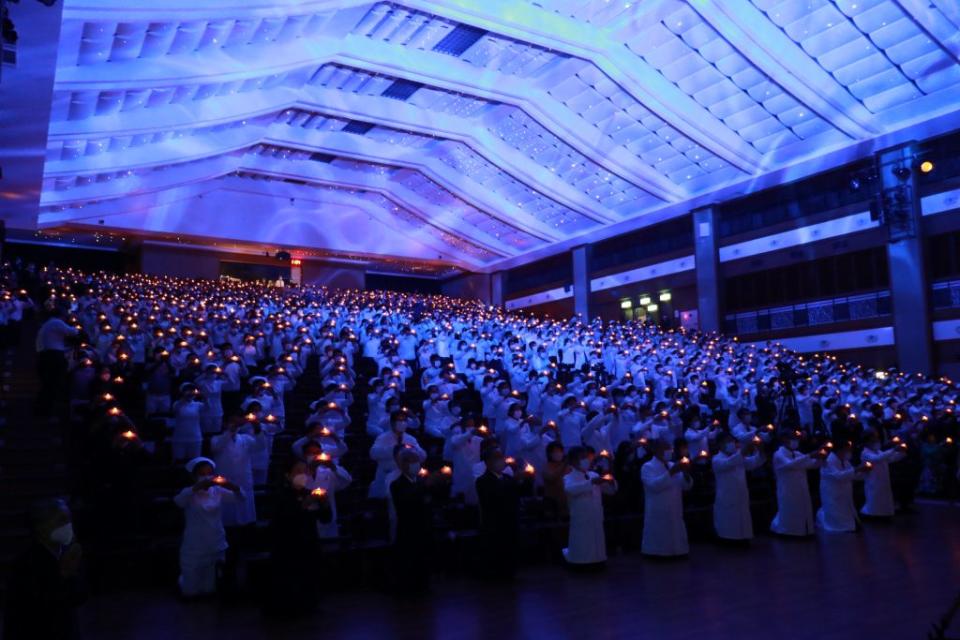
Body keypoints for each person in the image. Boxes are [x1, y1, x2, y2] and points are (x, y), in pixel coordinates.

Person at [3, 498, 86, 640]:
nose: (68, 526)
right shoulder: (25, 565)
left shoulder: (68, 553)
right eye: (61, 520)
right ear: (41, 526)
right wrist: (64, 575)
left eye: (69, 519)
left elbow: (79, 597)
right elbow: (35, 612)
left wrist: (71, 574)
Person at [173, 457, 243, 597]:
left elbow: (241, 498)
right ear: (194, 476)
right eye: (202, 473)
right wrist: (197, 487)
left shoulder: (218, 491)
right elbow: (178, 501)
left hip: (215, 542)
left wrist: (231, 486)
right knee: (190, 591)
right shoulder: (189, 493)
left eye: (209, 473)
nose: (207, 477)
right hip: (195, 545)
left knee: (209, 589)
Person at [475, 447, 524, 579]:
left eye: (501, 458)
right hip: (495, 523)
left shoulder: (508, 478)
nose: (501, 461)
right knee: (497, 551)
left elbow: (516, 495)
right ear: (488, 462)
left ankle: (510, 572)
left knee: (510, 549)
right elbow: (493, 497)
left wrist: (522, 480)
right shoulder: (482, 481)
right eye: (496, 458)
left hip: (510, 521)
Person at [563, 446, 616, 567]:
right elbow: (570, 490)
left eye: (586, 457)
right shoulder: (568, 477)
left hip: (596, 515)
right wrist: (591, 483)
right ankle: (580, 562)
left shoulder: (593, 474)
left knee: (596, 540)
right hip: (581, 517)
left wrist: (611, 482)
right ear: (573, 461)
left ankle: (598, 560)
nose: (585, 460)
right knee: (582, 541)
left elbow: (610, 491)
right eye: (581, 458)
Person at [389, 448, 432, 593]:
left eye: (417, 461)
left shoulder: (420, 482)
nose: (416, 465)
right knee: (409, 558)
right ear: (403, 465)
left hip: (423, 525)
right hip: (408, 527)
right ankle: (409, 588)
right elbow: (405, 501)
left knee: (423, 557)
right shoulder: (396, 484)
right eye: (412, 462)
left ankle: (423, 585)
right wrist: (425, 487)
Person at [641, 439, 692, 557]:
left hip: (675, 508)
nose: (669, 451)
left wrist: (685, 473)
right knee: (660, 535)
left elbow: (686, 486)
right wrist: (671, 472)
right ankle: (657, 553)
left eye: (670, 449)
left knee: (675, 533)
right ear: (656, 450)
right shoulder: (647, 467)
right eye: (666, 448)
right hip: (658, 510)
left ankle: (679, 551)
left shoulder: (673, 465)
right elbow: (654, 486)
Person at [711, 434, 764, 542]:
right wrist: (742, 452)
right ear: (720, 445)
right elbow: (728, 463)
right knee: (728, 523)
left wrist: (761, 451)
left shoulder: (738, 456)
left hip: (741, 495)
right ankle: (728, 540)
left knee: (742, 518)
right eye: (728, 441)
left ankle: (743, 538)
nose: (731, 443)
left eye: (732, 441)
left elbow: (753, 463)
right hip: (727, 496)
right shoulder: (716, 459)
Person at [770, 432, 823, 536]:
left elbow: (812, 464)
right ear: (785, 440)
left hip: (801, 487)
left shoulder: (798, 454)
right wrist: (809, 455)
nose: (796, 441)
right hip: (787, 488)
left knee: (800, 509)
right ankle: (787, 531)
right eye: (793, 439)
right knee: (789, 510)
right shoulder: (778, 454)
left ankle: (801, 531)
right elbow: (790, 464)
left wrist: (821, 457)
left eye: (797, 439)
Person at [817, 441, 870, 532]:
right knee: (836, 516)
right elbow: (838, 476)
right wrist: (857, 469)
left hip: (844, 494)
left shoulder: (845, 461)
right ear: (840, 450)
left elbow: (852, 474)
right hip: (832, 493)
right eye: (847, 450)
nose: (849, 452)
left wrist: (864, 472)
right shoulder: (829, 461)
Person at [35, 307, 78, 417]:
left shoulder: (46, 325)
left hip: (45, 355)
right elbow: (72, 332)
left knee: (48, 383)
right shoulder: (56, 322)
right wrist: (76, 326)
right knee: (55, 382)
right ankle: (49, 410)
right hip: (54, 356)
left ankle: (43, 408)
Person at [861, 432, 908, 517]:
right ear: (867, 442)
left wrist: (902, 453)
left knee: (883, 497)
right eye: (874, 440)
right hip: (873, 480)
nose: (876, 441)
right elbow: (876, 459)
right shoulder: (865, 453)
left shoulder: (878, 451)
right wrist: (894, 449)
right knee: (874, 497)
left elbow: (891, 459)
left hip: (883, 479)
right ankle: (871, 514)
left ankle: (883, 514)